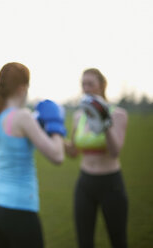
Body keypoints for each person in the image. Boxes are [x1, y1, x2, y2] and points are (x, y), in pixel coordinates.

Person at [0, 62, 66, 248]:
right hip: (19, 208)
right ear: (22, 88)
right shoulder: (23, 118)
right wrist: (55, 125)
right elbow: (58, 156)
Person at [64, 68, 128, 248]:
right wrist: (56, 135)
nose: (85, 88)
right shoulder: (79, 116)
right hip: (85, 183)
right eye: (83, 84)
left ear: (102, 86)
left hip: (111, 184)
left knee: (118, 241)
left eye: (90, 84)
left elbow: (115, 151)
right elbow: (73, 153)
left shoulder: (118, 114)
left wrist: (104, 122)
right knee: (84, 242)